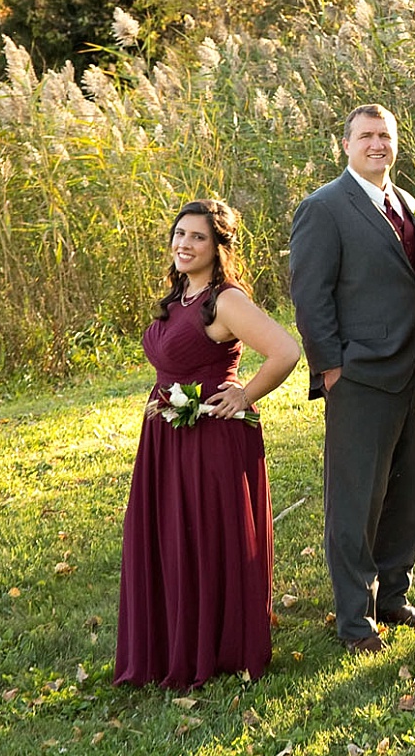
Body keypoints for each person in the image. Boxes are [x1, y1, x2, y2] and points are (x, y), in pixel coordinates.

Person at [117, 198, 300, 688]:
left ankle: (219, 646)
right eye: (180, 234)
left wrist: (242, 395)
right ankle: (174, 639)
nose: (184, 244)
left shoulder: (225, 301)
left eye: (197, 237)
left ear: (219, 247)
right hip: (166, 438)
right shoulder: (178, 297)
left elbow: (286, 351)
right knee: (174, 539)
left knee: (206, 538)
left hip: (212, 442)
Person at [290, 104, 415, 655]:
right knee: (355, 504)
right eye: (367, 136)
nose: (377, 144)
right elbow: (310, 296)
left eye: (386, 136)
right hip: (359, 378)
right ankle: (355, 617)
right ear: (345, 144)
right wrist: (332, 368)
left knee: (408, 496)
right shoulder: (324, 208)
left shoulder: (407, 206)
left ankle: (392, 597)